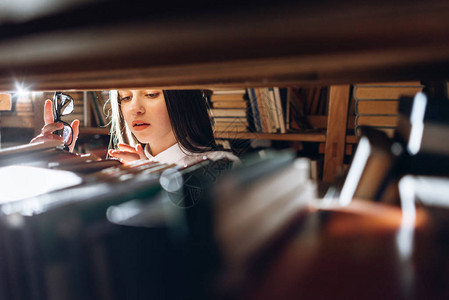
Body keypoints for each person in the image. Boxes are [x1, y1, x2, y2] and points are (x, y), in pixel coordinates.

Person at [31, 89, 239, 166]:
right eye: (126, 98)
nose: (135, 109)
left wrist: (149, 173)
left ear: (180, 99)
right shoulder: (119, 167)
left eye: (151, 94)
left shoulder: (219, 163)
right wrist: (53, 161)